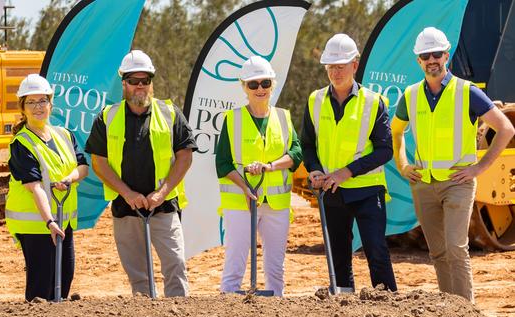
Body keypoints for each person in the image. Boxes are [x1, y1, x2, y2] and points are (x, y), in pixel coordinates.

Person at [392, 27, 514, 302]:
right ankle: (450, 313)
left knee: (456, 248)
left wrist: (479, 168)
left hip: (458, 184)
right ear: (418, 61)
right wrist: (402, 165)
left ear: (446, 55)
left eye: (437, 53)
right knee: (437, 251)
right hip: (423, 185)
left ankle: (467, 315)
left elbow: (505, 128)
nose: (432, 59)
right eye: (426, 55)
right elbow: (396, 132)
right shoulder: (410, 96)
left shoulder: (466, 91)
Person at [85, 50, 196, 297]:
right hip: (126, 209)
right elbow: (99, 162)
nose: (140, 86)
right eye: (134, 81)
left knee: (176, 265)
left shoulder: (170, 113)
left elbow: (185, 156)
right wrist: (127, 193)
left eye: (145, 80)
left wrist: (162, 192)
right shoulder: (107, 117)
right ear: (124, 83)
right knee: (138, 276)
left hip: (164, 206)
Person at [301, 34, 397, 292]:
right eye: (331, 67)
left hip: (367, 191)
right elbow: (307, 145)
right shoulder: (315, 100)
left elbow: (385, 150)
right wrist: (315, 170)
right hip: (331, 192)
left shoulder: (373, 101)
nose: (335, 72)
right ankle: (343, 314)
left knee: (376, 252)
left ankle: (389, 310)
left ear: (354, 65)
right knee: (338, 258)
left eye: (341, 66)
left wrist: (347, 172)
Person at [215, 56, 302, 297]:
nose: (260, 89)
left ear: (272, 84)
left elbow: (296, 153)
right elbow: (222, 163)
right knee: (235, 264)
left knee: (276, 267)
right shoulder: (232, 120)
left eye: (265, 83)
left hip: (276, 204)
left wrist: (269, 167)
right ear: (244, 87)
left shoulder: (284, 117)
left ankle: (275, 310)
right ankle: (228, 312)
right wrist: (244, 186)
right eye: (253, 84)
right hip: (241, 203)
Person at [5, 74, 89, 301]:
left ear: (51, 103)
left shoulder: (64, 134)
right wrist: (49, 221)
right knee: (41, 288)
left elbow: (83, 167)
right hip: (37, 226)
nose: (38, 107)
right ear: (23, 107)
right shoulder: (21, 143)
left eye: (42, 101)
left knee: (65, 278)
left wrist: (70, 179)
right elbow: (35, 187)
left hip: (64, 221)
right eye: (31, 102)